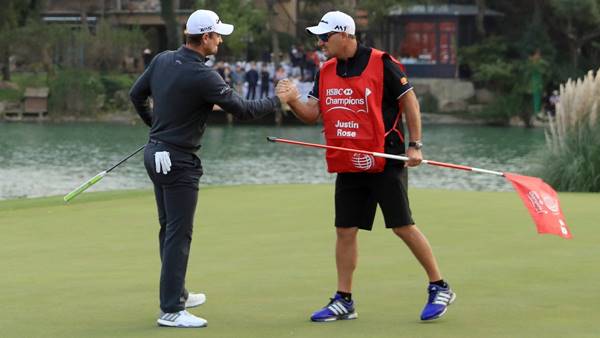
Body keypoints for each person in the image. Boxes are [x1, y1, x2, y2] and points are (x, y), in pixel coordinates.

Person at [276, 11, 455, 322]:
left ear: (345, 34)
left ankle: (439, 286)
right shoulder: (326, 69)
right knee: (345, 229)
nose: (320, 43)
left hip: (386, 158)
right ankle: (343, 300)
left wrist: (415, 145)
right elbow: (311, 114)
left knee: (402, 225)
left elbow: (409, 102)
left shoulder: (382, 62)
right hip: (348, 159)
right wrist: (292, 100)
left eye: (325, 36)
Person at [129, 9, 296, 328]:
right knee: (179, 233)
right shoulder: (203, 75)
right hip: (177, 160)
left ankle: (176, 293)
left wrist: (155, 126)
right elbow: (244, 110)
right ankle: (171, 309)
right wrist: (279, 98)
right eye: (217, 35)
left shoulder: (163, 59)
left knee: (169, 229)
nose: (220, 40)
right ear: (204, 37)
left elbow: (136, 95)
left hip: (156, 154)